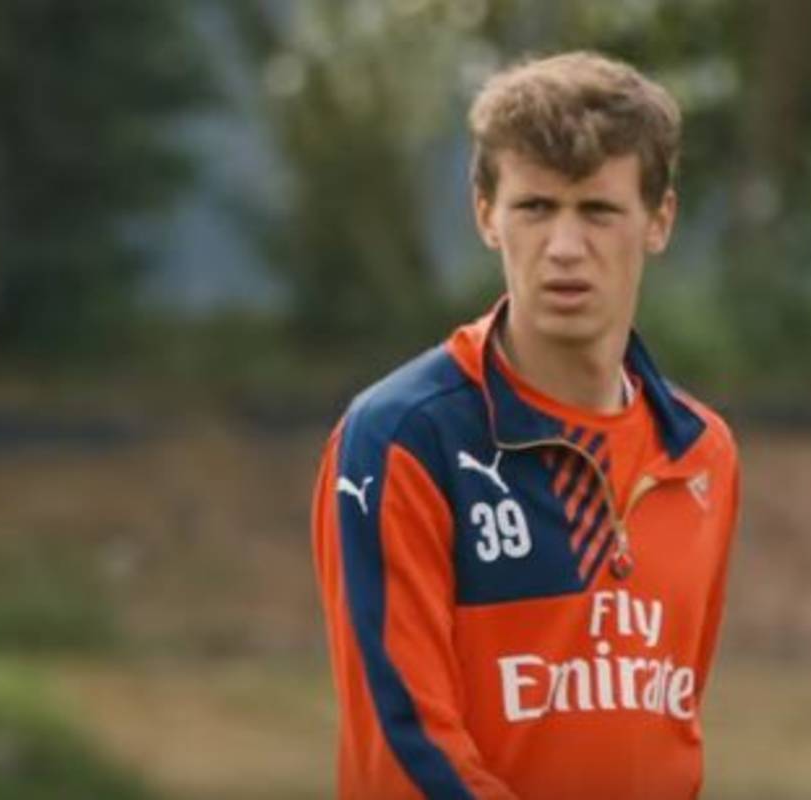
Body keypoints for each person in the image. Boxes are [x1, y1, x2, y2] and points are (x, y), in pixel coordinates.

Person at [312, 51, 740, 800]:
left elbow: (667, 735)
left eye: (598, 211)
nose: (565, 248)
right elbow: (404, 754)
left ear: (659, 220)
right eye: (536, 208)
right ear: (486, 214)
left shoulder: (702, 454)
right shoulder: (401, 439)